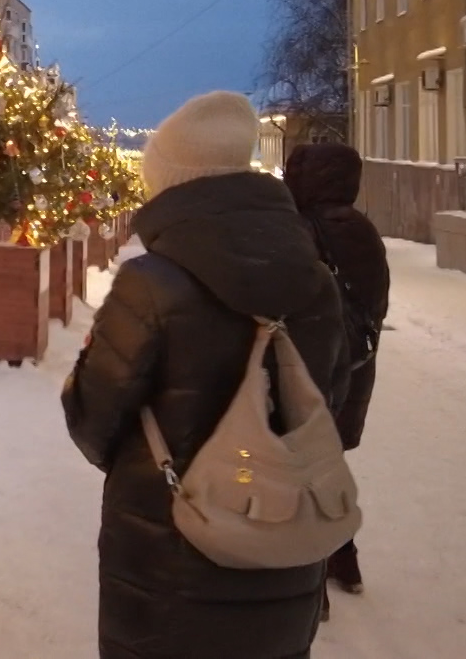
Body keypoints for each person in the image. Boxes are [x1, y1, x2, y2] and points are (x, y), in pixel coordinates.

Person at [62, 91, 348, 659]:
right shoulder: (315, 280)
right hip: (283, 537)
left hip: (167, 550)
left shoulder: (150, 284)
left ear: (171, 184)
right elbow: (328, 405)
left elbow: (93, 422)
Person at [283, 142, 390, 601]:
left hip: (310, 370)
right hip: (356, 366)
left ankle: (311, 586)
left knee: (296, 467)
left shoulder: (301, 232)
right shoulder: (364, 231)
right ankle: (344, 561)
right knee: (327, 463)